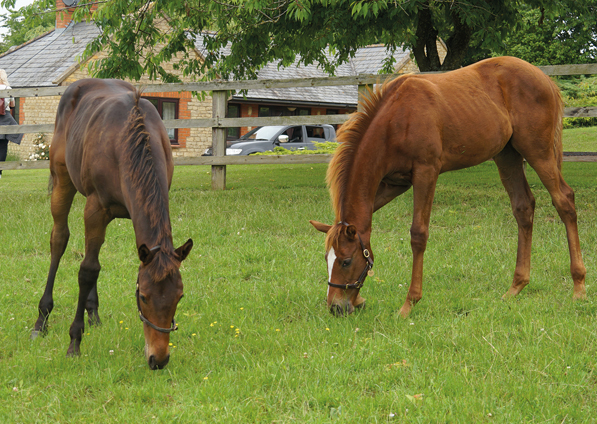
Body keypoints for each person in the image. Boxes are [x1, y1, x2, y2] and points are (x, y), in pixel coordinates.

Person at [0, 69, 23, 178]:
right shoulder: (8, 89)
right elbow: (13, 104)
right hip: (5, 117)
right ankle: (0, 171)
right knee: (3, 145)